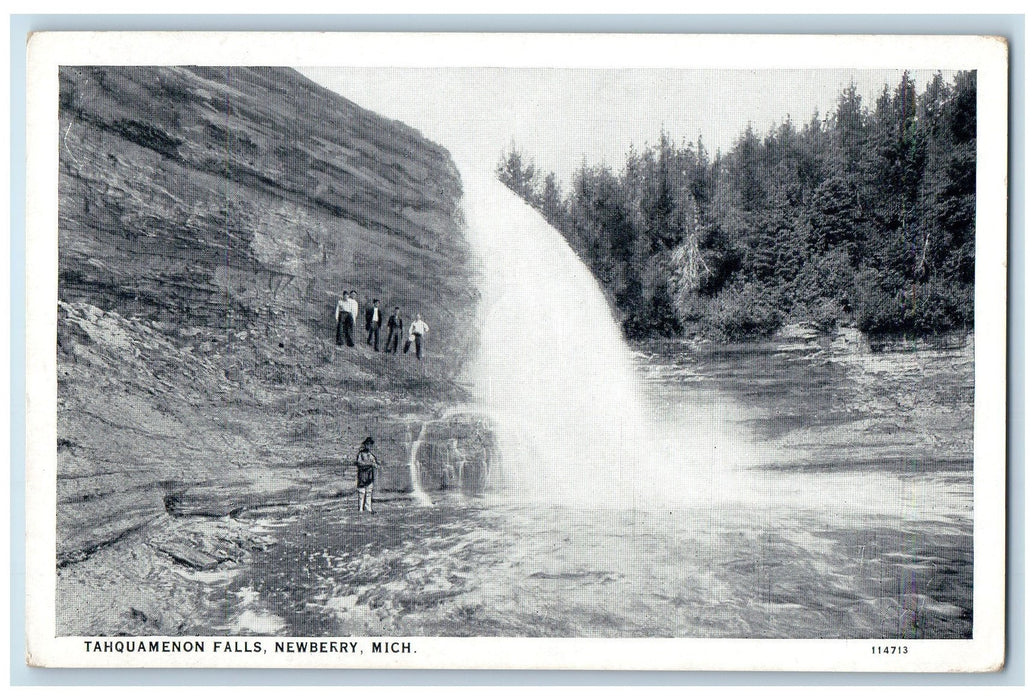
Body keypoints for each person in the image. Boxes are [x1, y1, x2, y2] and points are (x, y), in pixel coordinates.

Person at [355, 436, 379, 513]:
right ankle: (360, 510)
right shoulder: (360, 454)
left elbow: (375, 465)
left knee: (369, 492)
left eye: (370, 445)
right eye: (367, 444)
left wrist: (374, 464)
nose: (369, 446)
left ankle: (368, 509)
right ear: (365, 445)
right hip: (362, 476)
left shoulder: (371, 455)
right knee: (361, 493)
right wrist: (370, 464)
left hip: (369, 476)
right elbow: (359, 463)